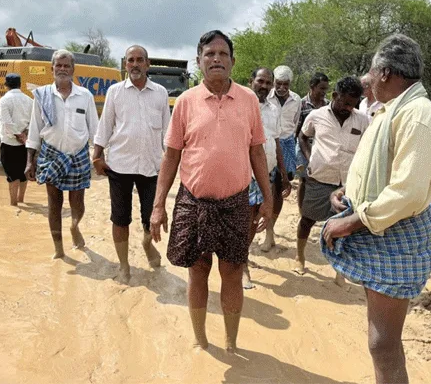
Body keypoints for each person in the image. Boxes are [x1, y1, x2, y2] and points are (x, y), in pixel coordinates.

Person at [321, 33, 431, 384]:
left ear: (386, 72)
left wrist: (350, 222)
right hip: (379, 225)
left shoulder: (418, 116)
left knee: (384, 343)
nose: (368, 79)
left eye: (372, 71)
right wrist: (349, 193)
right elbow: (382, 170)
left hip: (394, 230)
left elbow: (407, 192)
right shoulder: (392, 111)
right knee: (381, 340)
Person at [150, 30, 272, 353]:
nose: (216, 59)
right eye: (209, 54)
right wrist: (158, 205)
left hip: (235, 203)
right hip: (192, 200)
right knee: (197, 270)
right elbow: (172, 155)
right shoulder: (186, 102)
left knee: (232, 272)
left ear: (232, 61)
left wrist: (268, 200)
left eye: (222, 54)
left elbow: (257, 152)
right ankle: (200, 339)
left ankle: (231, 342)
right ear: (199, 61)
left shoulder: (248, 101)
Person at [93, 45, 171, 282]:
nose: (135, 64)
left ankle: (147, 245)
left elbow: (168, 134)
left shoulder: (160, 93)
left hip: (151, 166)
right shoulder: (115, 92)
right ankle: (124, 266)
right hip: (119, 165)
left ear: (147, 64)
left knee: (152, 219)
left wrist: (171, 164)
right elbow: (105, 126)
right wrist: (97, 155)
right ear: (125, 65)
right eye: (130, 60)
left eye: (139, 60)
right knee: (120, 218)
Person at [25, 49, 99, 260]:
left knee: (78, 203)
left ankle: (75, 226)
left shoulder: (85, 96)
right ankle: (58, 249)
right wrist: (30, 161)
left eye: (67, 66)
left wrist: (99, 157)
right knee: (53, 203)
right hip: (51, 155)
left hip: (78, 156)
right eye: (59, 65)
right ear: (52, 69)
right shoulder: (42, 96)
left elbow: (95, 130)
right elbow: (34, 130)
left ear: (73, 70)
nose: (63, 69)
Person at [296, 77, 368, 277]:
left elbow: (367, 148)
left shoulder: (362, 120)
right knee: (307, 220)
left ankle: (339, 271)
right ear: (335, 95)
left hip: (347, 184)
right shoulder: (316, 115)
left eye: (352, 105)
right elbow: (302, 136)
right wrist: (310, 158)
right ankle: (300, 257)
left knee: (344, 228)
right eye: (344, 102)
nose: (348, 108)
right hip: (319, 178)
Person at [243, 67, 290, 288]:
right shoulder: (241, 104)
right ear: (251, 80)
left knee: (257, 217)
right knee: (245, 217)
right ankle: (240, 264)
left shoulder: (274, 109)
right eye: (260, 81)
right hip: (244, 172)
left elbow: (276, 141)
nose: (264, 86)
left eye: (268, 83)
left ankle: (242, 260)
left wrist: (283, 173)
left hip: (268, 171)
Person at [0, 73, 32, 206]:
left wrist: (18, 135)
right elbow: (33, 121)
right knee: (23, 174)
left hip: (9, 142)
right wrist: (24, 135)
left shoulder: (4, 100)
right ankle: (21, 200)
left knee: (12, 175)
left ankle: (13, 205)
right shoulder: (29, 100)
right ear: (20, 84)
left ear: (6, 85)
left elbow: (7, 123)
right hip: (25, 142)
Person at [272, 65, 303, 183]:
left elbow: (295, 122)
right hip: (269, 143)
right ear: (274, 81)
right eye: (278, 84)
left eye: (286, 84)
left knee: (284, 180)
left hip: (287, 141)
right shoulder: (267, 98)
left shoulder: (296, 99)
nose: (282, 88)